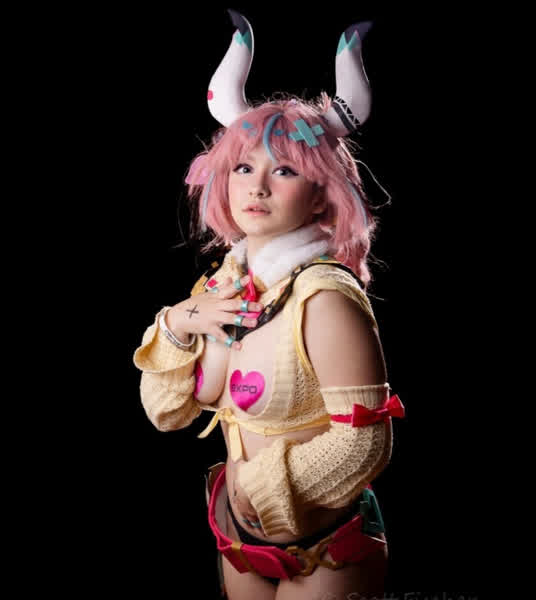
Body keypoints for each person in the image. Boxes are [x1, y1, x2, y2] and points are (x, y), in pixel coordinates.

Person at [132, 9, 405, 600]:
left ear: (321, 196)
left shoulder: (325, 299)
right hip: (237, 542)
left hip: (327, 549)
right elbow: (166, 414)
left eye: (284, 170)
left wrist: (259, 486)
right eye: (243, 166)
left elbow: (365, 443)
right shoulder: (223, 286)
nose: (256, 186)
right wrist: (176, 324)